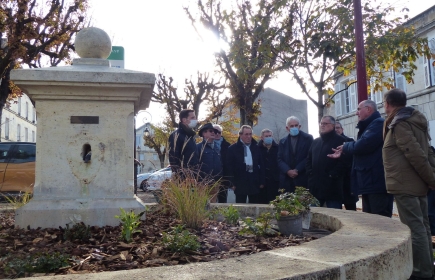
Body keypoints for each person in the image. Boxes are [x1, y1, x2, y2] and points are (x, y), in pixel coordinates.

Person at [382, 89, 435, 280]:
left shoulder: (400, 123)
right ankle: (427, 269)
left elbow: (416, 154)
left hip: (406, 184)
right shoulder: (414, 120)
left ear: (387, 103)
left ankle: (421, 273)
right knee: (423, 227)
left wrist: (432, 179)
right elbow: (427, 151)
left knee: (415, 229)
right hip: (416, 184)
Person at [328, 100, 394, 217]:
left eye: (359, 109)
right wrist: (345, 150)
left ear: (368, 109)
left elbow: (363, 145)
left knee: (380, 221)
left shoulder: (378, 123)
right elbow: (362, 150)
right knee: (371, 221)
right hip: (370, 182)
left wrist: (345, 146)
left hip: (376, 183)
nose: (356, 113)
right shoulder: (369, 125)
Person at [306, 116, 346, 209]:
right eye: (321, 123)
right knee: (314, 215)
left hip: (332, 186)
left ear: (332, 125)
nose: (322, 126)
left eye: (325, 124)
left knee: (335, 215)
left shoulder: (341, 140)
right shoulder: (316, 141)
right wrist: (310, 173)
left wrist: (332, 175)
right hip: (315, 186)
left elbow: (344, 162)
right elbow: (308, 159)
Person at [227, 125, 264, 203]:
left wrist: (262, 181)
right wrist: (231, 183)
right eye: (246, 134)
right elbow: (229, 168)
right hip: (239, 182)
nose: (249, 136)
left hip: (254, 182)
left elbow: (261, 165)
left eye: (250, 134)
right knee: (240, 207)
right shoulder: (232, 149)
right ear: (240, 135)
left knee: (254, 206)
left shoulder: (257, 148)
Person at [277, 116, 313, 193]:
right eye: (292, 126)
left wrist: (297, 170)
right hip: (287, 180)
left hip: (302, 178)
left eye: (296, 125)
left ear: (299, 126)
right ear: (287, 128)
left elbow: (309, 156)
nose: (294, 127)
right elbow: (279, 159)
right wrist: (288, 170)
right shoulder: (282, 141)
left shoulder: (308, 138)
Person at [196, 123, 223, 203]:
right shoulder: (198, 147)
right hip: (202, 182)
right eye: (211, 131)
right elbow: (195, 164)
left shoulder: (217, 148)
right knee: (202, 204)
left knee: (213, 205)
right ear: (204, 133)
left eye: (215, 131)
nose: (213, 133)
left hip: (215, 182)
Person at [335, 121, 358, 211]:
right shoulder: (330, 143)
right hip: (336, 180)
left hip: (348, 180)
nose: (336, 130)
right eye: (334, 128)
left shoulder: (350, 141)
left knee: (351, 209)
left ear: (342, 129)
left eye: (338, 128)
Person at [168, 109, 199, 173]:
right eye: (192, 117)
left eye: (195, 117)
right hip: (184, 176)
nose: (195, 119)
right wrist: (179, 175)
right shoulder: (176, 135)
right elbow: (173, 158)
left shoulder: (191, 136)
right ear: (184, 120)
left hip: (193, 175)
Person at [258, 129, 280, 203]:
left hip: (275, 182)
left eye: (270, 136)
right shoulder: (257, 149)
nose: (268, 137)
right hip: (262, 183)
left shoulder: (278, 148)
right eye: (266, 136)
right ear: (262, 138)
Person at [213, 124, 231, 203]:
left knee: (223, 200)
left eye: (219, 132)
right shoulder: (206, 145)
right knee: (210, 201)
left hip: (224, 177)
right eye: (215, 131)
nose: (217, 134)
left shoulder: (228, 146)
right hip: (211, 178)